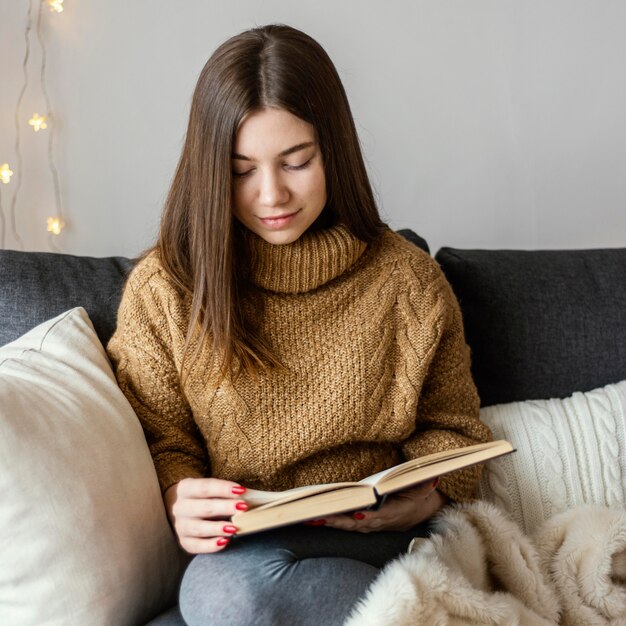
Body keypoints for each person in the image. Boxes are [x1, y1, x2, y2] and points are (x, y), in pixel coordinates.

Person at [107, 24, 492, 626]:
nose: (271, 194)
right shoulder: (167, 289)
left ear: (333, 150)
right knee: (221, 593)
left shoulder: (408, 281)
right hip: (257, 550)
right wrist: (177, 492)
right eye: (241, 171)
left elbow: (455, 432)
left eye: (297, 161)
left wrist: (429, 495)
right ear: (210, 169)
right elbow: (161, 439)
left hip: (388, 540)